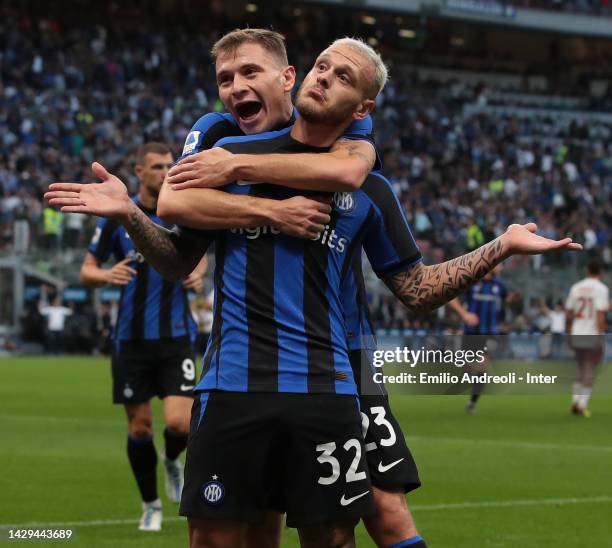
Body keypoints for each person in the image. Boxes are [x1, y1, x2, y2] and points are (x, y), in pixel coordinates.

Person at [46, 33, 582, 548]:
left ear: (362, 109)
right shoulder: (226, 152)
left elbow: (417, 288)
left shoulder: (367, 184)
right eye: (323, 65)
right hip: (231, 384)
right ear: (302, 75)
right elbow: (176, 247)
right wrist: (130, 211)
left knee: (335, 535)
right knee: (214, 538)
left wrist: (502, 246)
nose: (325, 77)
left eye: (342, 76)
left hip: (326, 390)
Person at [78, 142, 207, 532]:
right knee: (139, 429)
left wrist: (199, 270)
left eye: (169, 164)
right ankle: (150, 505)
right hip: (131, 341)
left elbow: (201, 249)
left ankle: (171, 459)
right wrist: (105, 275)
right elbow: (87, 270)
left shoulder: (183, 209)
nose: (165, 170)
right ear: (139, 171)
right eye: (156, 166)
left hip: (175, 337)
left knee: (180, 425)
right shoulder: (119, 216)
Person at [448, 264, 507, 413]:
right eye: (499, 263)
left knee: (483, 368)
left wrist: (503, 322)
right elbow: (450, 296)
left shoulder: (500, 285)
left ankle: (472, 403)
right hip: (470, 332)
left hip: (489, 333)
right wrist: (464, 314)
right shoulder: (471, 281)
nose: (501, 267)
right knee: (468, 369)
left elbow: (504, 305)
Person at [565, 260, 609, 418]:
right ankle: (582, 405)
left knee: (579, 367)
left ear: (587, 271)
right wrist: (600, 335)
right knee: (590, 369)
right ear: (600, 272)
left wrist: (569, 332)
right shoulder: (601, 289)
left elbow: (569, 313)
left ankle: (575, 401)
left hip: (577, 331)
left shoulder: (576, 287)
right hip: (591, 333)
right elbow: (600, 314)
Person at [38, 285, 73, 354]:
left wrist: (71, 305)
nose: (57, 303)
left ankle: (60, 352)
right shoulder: (50, 309)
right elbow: (41, 311)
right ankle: (50, 352)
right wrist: (39, 304)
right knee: (51, 341)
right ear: (53, 302)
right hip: (52, 328)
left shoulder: (62, 309)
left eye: (58, 302)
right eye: (56, 302)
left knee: (60, 341)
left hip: (60, 328)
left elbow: (70, 312)